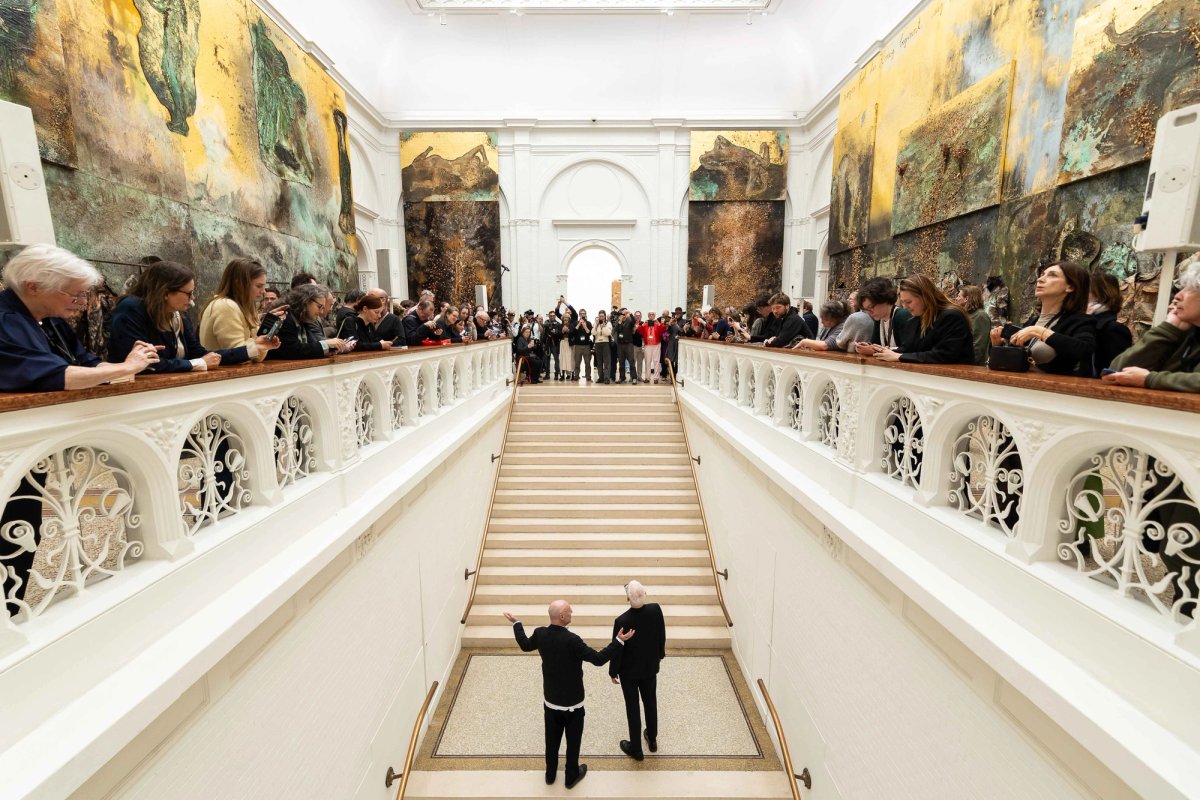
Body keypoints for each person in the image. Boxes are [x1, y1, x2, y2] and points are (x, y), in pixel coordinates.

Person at [503, 602, 634, 789]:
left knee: (551, 740)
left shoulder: (540, 634)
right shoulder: (572, 640)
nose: (572, 612)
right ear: (563, 616)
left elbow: (525, 645)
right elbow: (598, 660)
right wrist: (619, 641)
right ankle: (571, 774)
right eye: (569, 610)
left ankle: (550, 773)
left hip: (551, 701)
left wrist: (516, 624)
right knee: (573, 742)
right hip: (573, 704)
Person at [0, 243, 160, 392]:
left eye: (84, 294)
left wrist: (135, 359)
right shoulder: (6, 322)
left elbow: (87, 363)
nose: (83, 302)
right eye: (75, 295)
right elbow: (56, 376)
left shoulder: (51, 319)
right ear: (34, 287)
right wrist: (128, 367)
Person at [111, 261, 276, 372]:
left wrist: (254, 347)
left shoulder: (177, 315)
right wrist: (197, 364)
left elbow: (201, 353)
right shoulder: (131, 308)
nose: (193, 299)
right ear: (166, 292)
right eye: (188, 294)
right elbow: (140, 364)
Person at [1104, 258, 1200, 391]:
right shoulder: (1184, 331)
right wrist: (1167, 331)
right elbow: (1116, 371)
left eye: (1191, 289)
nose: (1177, 296)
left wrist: (1149, 379)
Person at [991, 262, 1095, 375]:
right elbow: (1013, 363)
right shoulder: (1032, 322)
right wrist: (997, 344)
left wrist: (1039, 331)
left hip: (1055, 390)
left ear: (1070, 286)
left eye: (1052, 275)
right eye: (1042, 274)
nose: (1040, 279)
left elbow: (1085, 350)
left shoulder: (1080, 321)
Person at [609, 580, 666, 761]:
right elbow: (661, 634)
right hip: (650, 668)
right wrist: (660, 654)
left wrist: (613, 671)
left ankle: (636, 749)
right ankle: (653, 739)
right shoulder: (656, 610)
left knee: (632, 708)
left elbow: (617, 648)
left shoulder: (622, 620)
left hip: (629, 673)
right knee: (650, 702)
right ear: (645, 593)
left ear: (628, 598)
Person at [872, 275, 973, 364]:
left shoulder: (952, 316)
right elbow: (909, 348)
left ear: (925, 297)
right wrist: (882, 351)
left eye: (909, 302)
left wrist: (900, 357)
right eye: (902, 302)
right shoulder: (916, 319)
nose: (905, 307)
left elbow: (945, 354)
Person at [200, 257, 286, 362]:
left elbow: (257, 357)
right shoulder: (226, 306)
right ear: (239, 283)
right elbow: (239, 355)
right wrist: (258, 343)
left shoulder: (246, 307)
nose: (263, 291)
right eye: (258, 286)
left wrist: (263, 337)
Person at [267, 283, 350, 359]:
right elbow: (292, 350)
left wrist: (329, 348)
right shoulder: (284, 316)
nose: (321, 312)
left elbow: (309, 345)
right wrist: (326, 344)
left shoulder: (302, 318)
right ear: (306, 301)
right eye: (319, 307)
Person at [1087, 271, 1133, 378]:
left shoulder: (1114, 330)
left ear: (1100, 295)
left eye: (1085, 290)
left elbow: (1116, 371)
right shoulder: (1083, 321)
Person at [854, 277, 914, 355]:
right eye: (866, 310)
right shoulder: (879, 319)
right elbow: (875, 343)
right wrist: (867, 346)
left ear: (884, 299)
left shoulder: (901, 315)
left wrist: (875, 350)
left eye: (871, 307)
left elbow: (909, 349)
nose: (870, 313)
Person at [957, 285, 992, 366]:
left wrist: (966, 364)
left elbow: (978, 346)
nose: (956, 298)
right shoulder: (965, 315)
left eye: (959, 296)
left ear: (966, 298)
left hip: (973, 366)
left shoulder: (980, 316)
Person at [637, 312, 666, 383]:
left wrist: (659, 324)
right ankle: (647, 377)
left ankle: (656, 378)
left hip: (656, 345)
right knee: (647, 361)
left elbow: (663, 331)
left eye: (653, 314)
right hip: (648, 345)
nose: (651, 316)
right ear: (648, 316)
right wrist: (642, 325)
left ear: (655, 316)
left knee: (656, 361)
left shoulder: (657, 324)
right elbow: (639, 331)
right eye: (650, 314)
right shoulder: (645, 324)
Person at [614, 308, 638, 384]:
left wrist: (629, 313)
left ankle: (634, 378)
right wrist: (620, 321)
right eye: (622, 314)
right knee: (621, 362)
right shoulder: (618, 322)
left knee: (631, 361)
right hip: (620, 344)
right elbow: (615, 329)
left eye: (624, 314)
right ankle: (622, 377)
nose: (623, 315)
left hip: (628, 344)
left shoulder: (629, 321)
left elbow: (634, 322)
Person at [570, 308, 593, 382]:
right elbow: (573, 332)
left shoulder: (588, 323)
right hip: (578, 345)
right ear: (579, 315)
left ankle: (588, 376)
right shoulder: (575, 323)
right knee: (577, 362)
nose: (582, 315)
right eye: (581, 313)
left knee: (587, 362)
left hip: (586, 345)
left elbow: (589, 333)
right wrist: (579, 323)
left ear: (585, 315)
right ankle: (576, 376)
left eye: (584, 313)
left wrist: (584, 325)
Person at [592, 310, 613, 383]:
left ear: (605, 317)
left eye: (602, 316)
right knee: (599, 362)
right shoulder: (596, 323)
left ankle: (607, 378)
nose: (601, 318)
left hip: (605, 343)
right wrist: (596, 325)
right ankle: (601, 377)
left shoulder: (608, 323)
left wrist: (603, 326)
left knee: (606, 362)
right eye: (600, 316)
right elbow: (593, 333)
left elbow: (608, 333)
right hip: (597, 343)